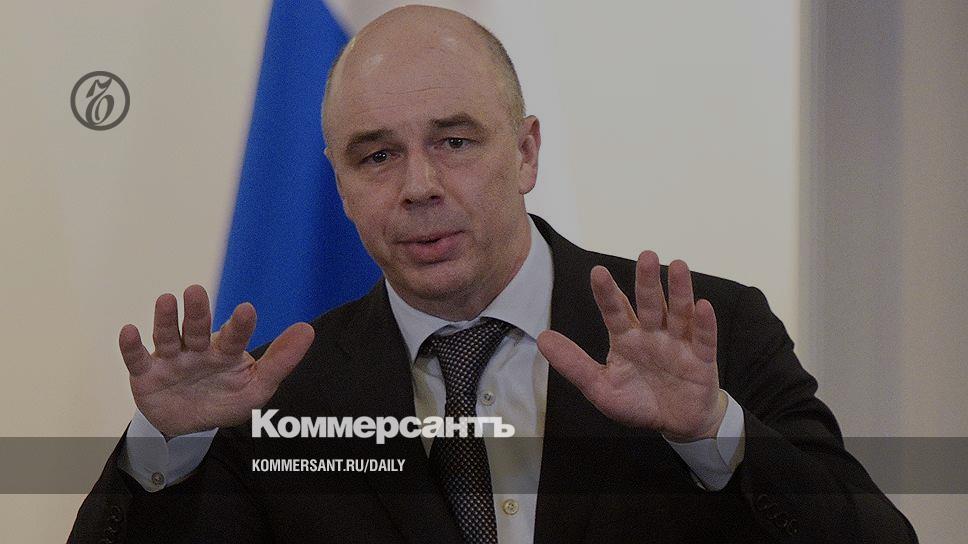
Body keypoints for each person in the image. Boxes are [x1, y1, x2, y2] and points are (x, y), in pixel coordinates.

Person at [70, 5, 917, 543]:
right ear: (341, 187)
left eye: (455, 141)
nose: (419, 186)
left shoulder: (704, 331)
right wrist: (169, 448)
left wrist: (713, 433)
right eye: (376, 156)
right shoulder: (273, 398)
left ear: (526, 152)